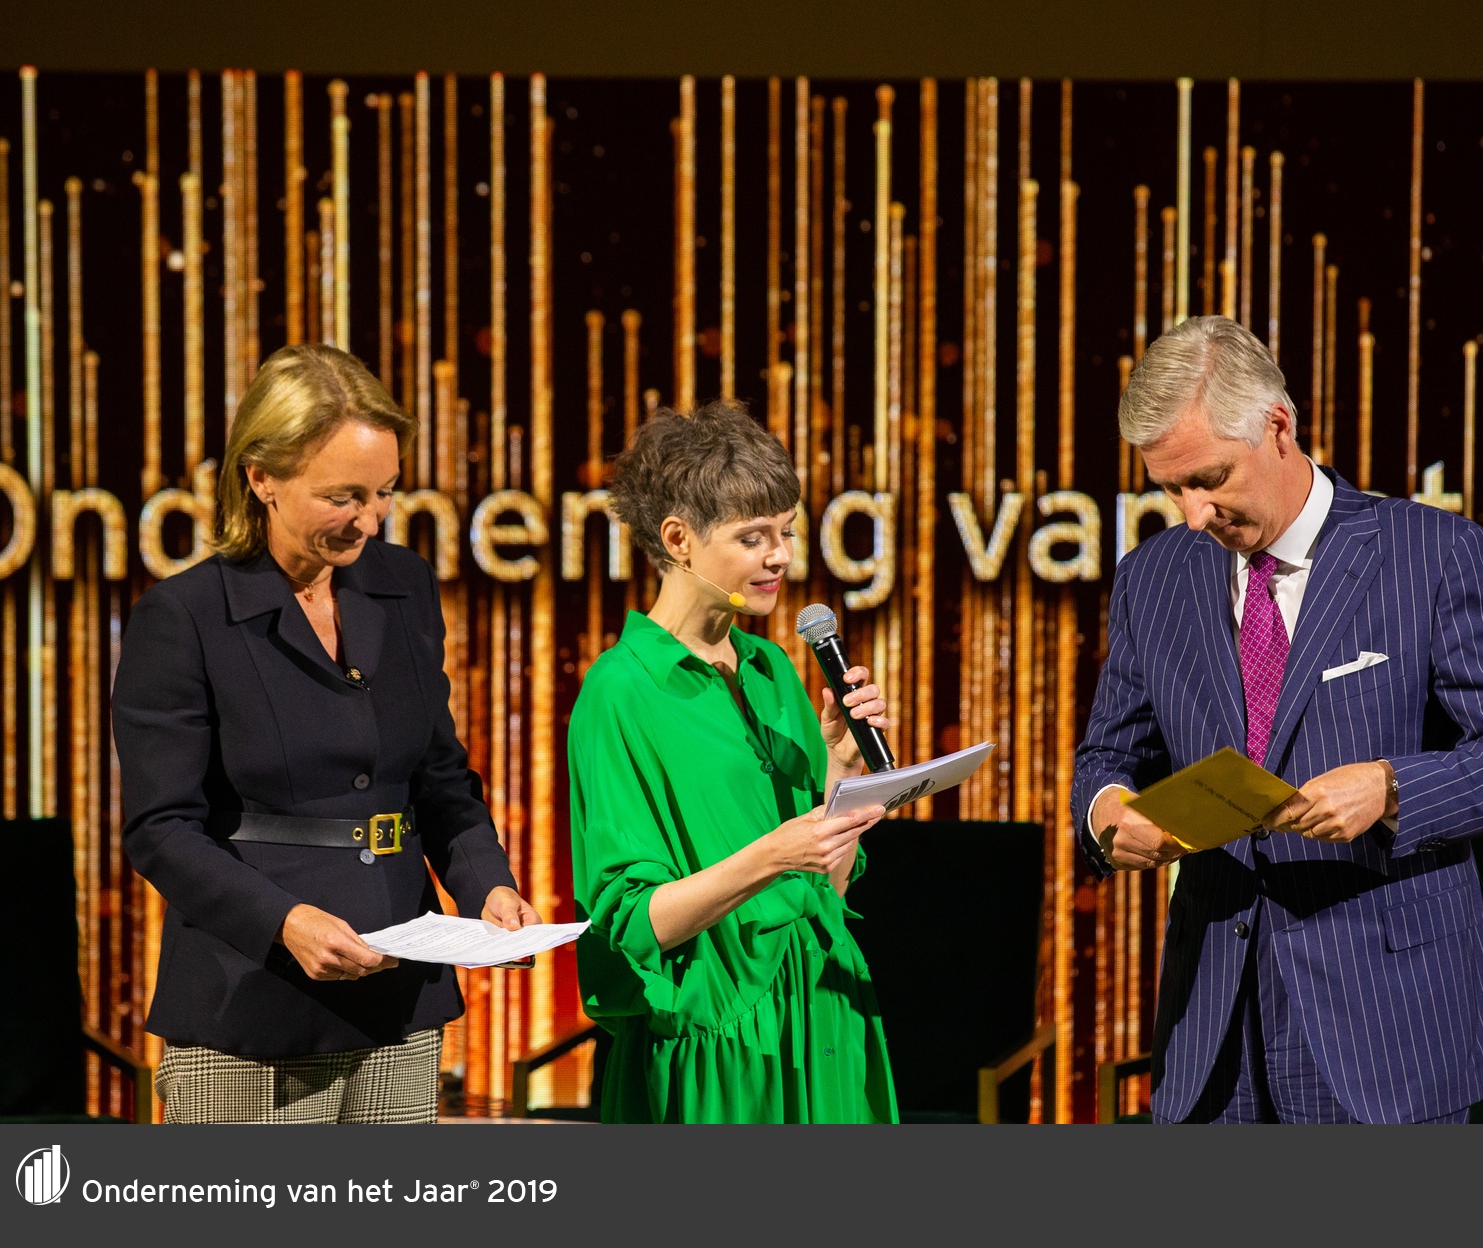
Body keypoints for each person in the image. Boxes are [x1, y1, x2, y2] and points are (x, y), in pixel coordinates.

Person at [1073, 316, 1483, 1124]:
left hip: (1388, 1028)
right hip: (1212, 1031)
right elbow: (1107, 754)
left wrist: (1392, 787)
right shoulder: (1151, 579)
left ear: (1278, 426)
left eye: (1209, 478)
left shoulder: (1431, 554)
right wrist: (1106, 817)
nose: (1193, 514)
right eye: (1171, 489)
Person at [114, 344, 537, 1124]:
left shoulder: (404, 585)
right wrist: (285, 923)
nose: (369, 521)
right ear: (261, 477)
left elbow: (440, 778)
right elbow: (161, 830)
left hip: (400, 997)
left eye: (384, 494)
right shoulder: (183, 617)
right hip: (251, 1002)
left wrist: (489, 885)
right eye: (343, 497)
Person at [569, 401, 896, 1124]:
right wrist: (772, 855)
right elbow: (633, 924)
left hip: (819, 1013)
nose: (780, 556)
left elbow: (827, 887)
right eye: (753, 537)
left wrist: (843, 770)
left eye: (786, 532)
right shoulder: (621, 692)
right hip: (717, 1044)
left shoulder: (772, 668)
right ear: (678, 539)